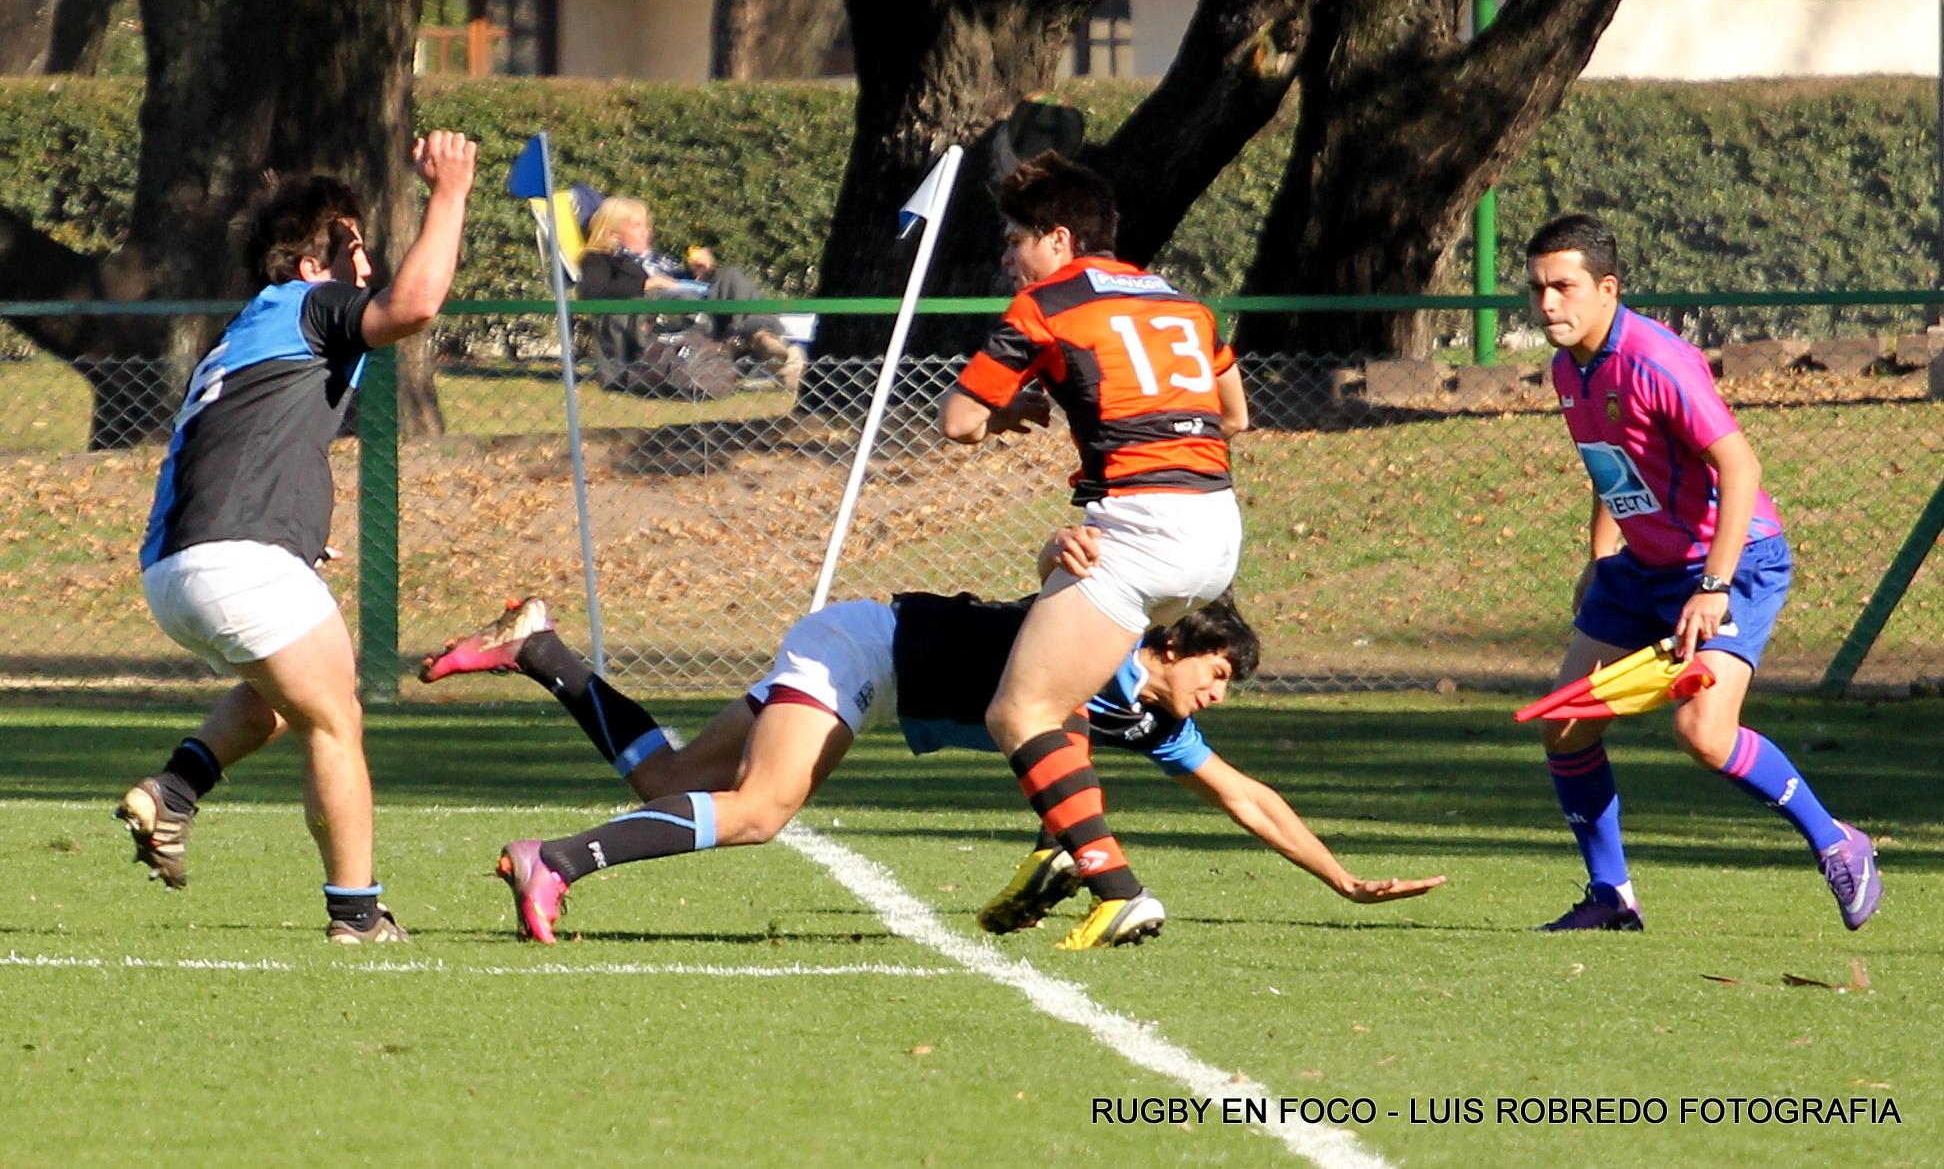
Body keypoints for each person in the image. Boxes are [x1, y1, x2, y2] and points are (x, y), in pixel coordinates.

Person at [416, 565, 1444, 948]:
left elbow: (1244, 795)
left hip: (866, 660)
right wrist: (1057, 547)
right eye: (1220, 673)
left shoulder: (1152, 718)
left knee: (671, 783)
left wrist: (1344, 879)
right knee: (766, 807)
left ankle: (538, 649)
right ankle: (556, 860)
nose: (1220, 696)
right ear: (1174, 645)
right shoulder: (1102, 642)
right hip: (866, 647)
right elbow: (1059, 569)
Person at [117, 130, 478, 944]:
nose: (369, 268)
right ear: (313, 265)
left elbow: (234, 449)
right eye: (355, 247)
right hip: (234, 560)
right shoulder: (308, 304)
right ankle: (357, 915)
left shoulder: (250, 330)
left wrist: (286, 533)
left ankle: (173, 791)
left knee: (286, 700)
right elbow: (415, 308)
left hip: (176, 571)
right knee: (336, 720)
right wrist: (450, 192)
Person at [1525, 212, 1880, 932]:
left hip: (1734, 559)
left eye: (1562, 287)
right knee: (1565, 725)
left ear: (1607, 288)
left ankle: (1839, 841)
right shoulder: (1570, 368)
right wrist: (1599, 560)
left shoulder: (1656, 360)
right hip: (1644, 565)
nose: (1546, 305)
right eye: (1536, 290)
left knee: (1704, 731)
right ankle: (1611, 897)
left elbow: (1740, 466)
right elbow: (1611, 466)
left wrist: (1713, 587)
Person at [936, 151, 1249, 946]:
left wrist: (1011, 413)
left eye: (1016, 240)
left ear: (1060, 238)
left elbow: (959, 422)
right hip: (1215, 532)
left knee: (1017, 710)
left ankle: (1115, 884)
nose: (1010, 257)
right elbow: (1233, 414)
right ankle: (1059, 848)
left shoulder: (1046, 305)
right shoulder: (1185, 304)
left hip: (1141, 528)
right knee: (1064, 697)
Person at [577, 195, 803, 392]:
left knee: (729, 276)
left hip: (682, 306)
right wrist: (644, 286)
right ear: (611, 232)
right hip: (650, 316)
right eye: (637, 226)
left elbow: (676, 282)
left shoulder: (654, 259)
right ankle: (764, 352)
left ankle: (763, 337)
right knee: (682, 298)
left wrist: (698, 275)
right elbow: (590, 293)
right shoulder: (600, 259)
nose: (647, 232)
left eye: (647, 225)